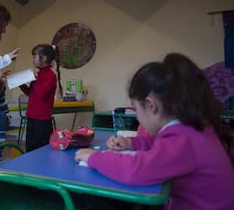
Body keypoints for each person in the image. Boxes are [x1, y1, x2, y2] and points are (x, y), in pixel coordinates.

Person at [75, 53, 234, 209]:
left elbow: (136, 170)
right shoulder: (192, 127)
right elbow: (161, 145)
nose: (137, 115)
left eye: (136, 109)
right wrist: (132, 142)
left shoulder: (183, 140)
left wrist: (94, 158)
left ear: (151, 105)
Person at [20, 44, 63, 152]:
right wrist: (19, 82)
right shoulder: (39, 74)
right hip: (32, 117)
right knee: (30, 148)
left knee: (42, 150)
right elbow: (31, 92)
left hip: (42, 120)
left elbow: (41, 94)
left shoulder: (50, 76)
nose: (32, 60)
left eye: (34, 57)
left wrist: (36, 78)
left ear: (43, 58)